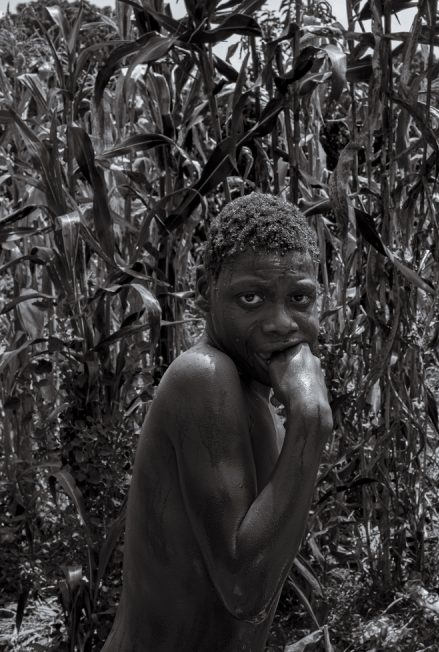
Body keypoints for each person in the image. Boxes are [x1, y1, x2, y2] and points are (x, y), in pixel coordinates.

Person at [102, 193, 334, 651]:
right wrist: (310, 420)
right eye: (251, 298)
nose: (281, 322)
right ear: (205, 292)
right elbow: (245, 590)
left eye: (300, 298)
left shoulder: (260, 402)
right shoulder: (205, 377)